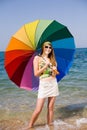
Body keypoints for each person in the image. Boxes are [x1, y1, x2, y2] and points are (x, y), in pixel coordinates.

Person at [28, 41, 59, 128]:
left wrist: (54, 70)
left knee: (50, 108)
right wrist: (45, 66)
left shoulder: (53, 60)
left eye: (50, 47)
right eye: (46, 47)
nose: (48, 49)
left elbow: (55, 74)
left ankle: (50, 125)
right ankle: (30, 126)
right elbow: (36, 74)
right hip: (43, 85)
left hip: (53, 84)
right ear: (43, 47)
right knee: (38, 109)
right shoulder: (37, 58)